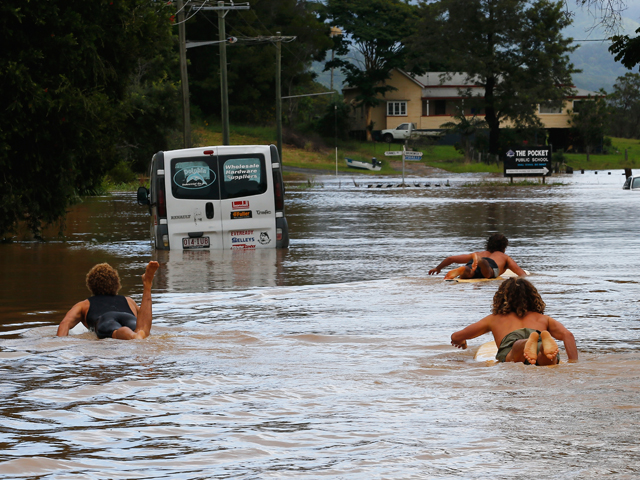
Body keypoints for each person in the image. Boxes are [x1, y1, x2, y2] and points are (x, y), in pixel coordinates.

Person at [450, 278, 578, 365]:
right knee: (547, 359)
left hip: (512, 340)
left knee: (513, 354)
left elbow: (456, 336)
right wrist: (573, 363)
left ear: (501, 298)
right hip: (538, 334)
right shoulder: (542, 318)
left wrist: (461, 341)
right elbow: (568, 335)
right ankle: (543, 348)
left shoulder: (494, 319)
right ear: (533, 298)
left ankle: (522, 344)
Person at [57, 261, 159, 340]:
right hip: (128, 317)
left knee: (115, 332)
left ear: (91, 285)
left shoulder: (84, 304)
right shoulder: (128, 301)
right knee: (142, 328)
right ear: (116, 283)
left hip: (105, 319)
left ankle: (133, 336)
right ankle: (147, 286)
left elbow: (64, 324)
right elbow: (143, 317)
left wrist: (59, 344)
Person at [428, 233, 527, 280]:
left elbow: (451, 259)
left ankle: (465, 269)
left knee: (470, 272)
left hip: (473, 262)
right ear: (504, 247)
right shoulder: (504, 257)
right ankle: (481, 262)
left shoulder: (479, 253)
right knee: (487, 272)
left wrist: (438, 268)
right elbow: (520, 273)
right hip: (489, 266)